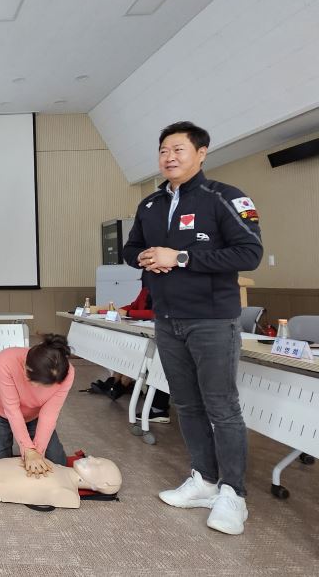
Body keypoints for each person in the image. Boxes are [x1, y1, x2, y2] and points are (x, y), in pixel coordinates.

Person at [123, 121, 263, 535]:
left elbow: (250, 253)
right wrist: (148, 256)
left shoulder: (226, 197)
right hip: (167, 318)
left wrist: (180, 257)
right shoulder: (149, 204)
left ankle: (233, 494)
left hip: (213, 319)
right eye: (164, 150)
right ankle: (203, 479)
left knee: (222, 406)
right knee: (185, 403)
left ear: (201, 152)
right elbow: (132, 248)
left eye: (179, 149)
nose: (169, 157)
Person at [0, 334, 74, 477]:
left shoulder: (67, 374)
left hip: (34, 415)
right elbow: (12, 410)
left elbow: (49, 415)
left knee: (57, 463)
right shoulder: (5, 361)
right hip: (0, 412)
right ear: (27, 366)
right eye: (37, 382)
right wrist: (28, 450)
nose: (39, 388)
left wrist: (37, 452)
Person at [90, 284, 171, 423]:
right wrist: (115, 311)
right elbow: (133, 306)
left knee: (158, 364)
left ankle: (158, 408)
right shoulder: (148, 288)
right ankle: (117, 383)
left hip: (166, 335)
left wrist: (127, 313)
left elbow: (161, 312)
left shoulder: (169, 286)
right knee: (128, 350)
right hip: (149, 333)